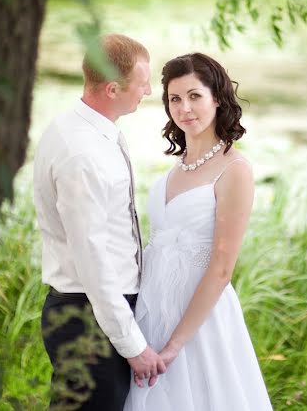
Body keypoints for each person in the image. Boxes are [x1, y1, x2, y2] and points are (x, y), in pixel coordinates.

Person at [124, 52, 272, 411]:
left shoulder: (234, 169)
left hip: (199, 322)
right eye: (175, 98)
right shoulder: (172, 172)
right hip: (152, 311)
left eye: (195, 96)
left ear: (217, 99)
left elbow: (222, 269)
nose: (184, 108)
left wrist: (175, 345)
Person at [34, 34, 166, 410]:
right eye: (142, 84)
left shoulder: (83, 130)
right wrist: (132, 345)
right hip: (89, 318)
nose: (148, 91)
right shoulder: (82, 154)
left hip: (96, 312)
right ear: (112, 88)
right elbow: (92, 261)